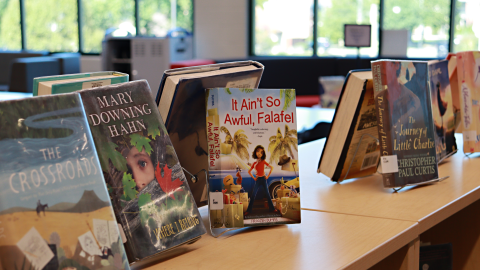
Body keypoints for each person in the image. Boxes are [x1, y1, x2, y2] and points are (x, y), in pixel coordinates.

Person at [245, 145, 278, 215]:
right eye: (257, 151)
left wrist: (268, 176)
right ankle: (249, 210)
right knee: (253, 194)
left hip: (263, 179)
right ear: (255, 152)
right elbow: (249, 171)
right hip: (258, 180)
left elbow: (271, 167)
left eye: (261, 152)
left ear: (263, 154)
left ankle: (272, 209)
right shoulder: (254, 163)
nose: (259, 153)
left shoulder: (263, 161)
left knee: (267, 194)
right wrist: (254, 178)